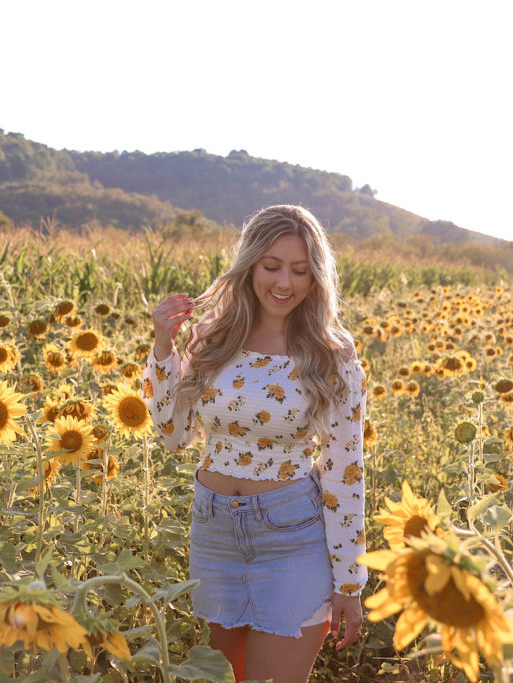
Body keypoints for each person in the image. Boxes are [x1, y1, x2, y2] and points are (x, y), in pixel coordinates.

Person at [142, 205, 367, 683]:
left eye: (300, 270)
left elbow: (344, 469)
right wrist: (164, 348)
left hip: (292, 537)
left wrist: (350, 580)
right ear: (249, 266)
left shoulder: (330, 352)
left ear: (316, 277)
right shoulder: (212, 338)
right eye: (272, 266)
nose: (284, 282)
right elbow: (174, 435)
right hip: (215, 532)